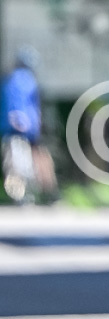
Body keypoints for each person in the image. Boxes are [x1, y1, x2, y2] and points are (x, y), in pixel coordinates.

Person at [1, 48, 57, 203]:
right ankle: (38, 194)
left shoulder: (13, 79)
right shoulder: (23, 79)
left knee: (17, 162)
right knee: (23, 161)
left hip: (17, 129)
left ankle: (23, 195)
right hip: (26, 129)